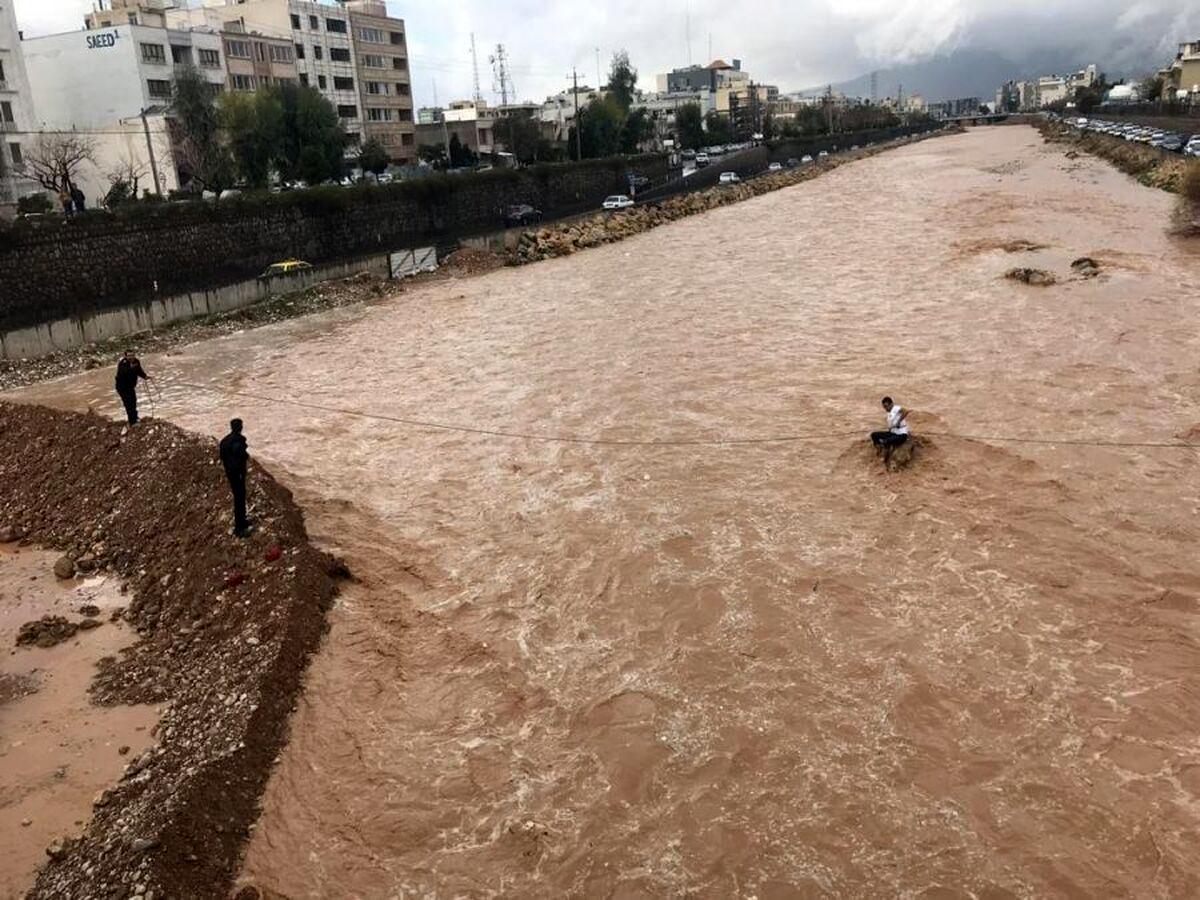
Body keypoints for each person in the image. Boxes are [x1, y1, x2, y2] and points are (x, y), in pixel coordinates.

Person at [219, 419, 253, 537]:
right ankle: (240, 528)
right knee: (239, 499)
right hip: (238, 474)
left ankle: (242, 522)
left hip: (230, 473)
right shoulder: (238, 442)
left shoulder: (224, 441)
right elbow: (242, 456)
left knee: (238, 498)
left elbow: (222, 456)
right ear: (240, 427)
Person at [870, 396, 909, 467]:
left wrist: (898, 422)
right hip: (893, 433)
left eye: (886, 406)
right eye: (884, 407)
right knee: (874, 435)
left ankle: (884, 459)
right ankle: (879, 450)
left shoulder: (895, 408)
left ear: (891, 404)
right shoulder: (889, 412)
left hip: (901, 435)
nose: (885, 408)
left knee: (886, 441)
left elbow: (906, 411)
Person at [114, 350, 150, 425]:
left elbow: (139, 370)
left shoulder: (136, 361)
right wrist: (131, 367)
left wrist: (145, 376)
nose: (131, 357)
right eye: (129, 356)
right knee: (128, 404)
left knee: (133, 402)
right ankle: (132, 422)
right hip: (122, 387)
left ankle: (135, 417)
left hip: (130, 387)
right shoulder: (122, 363)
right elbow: (124, 373)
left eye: (132, 355)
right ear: (126, 356)